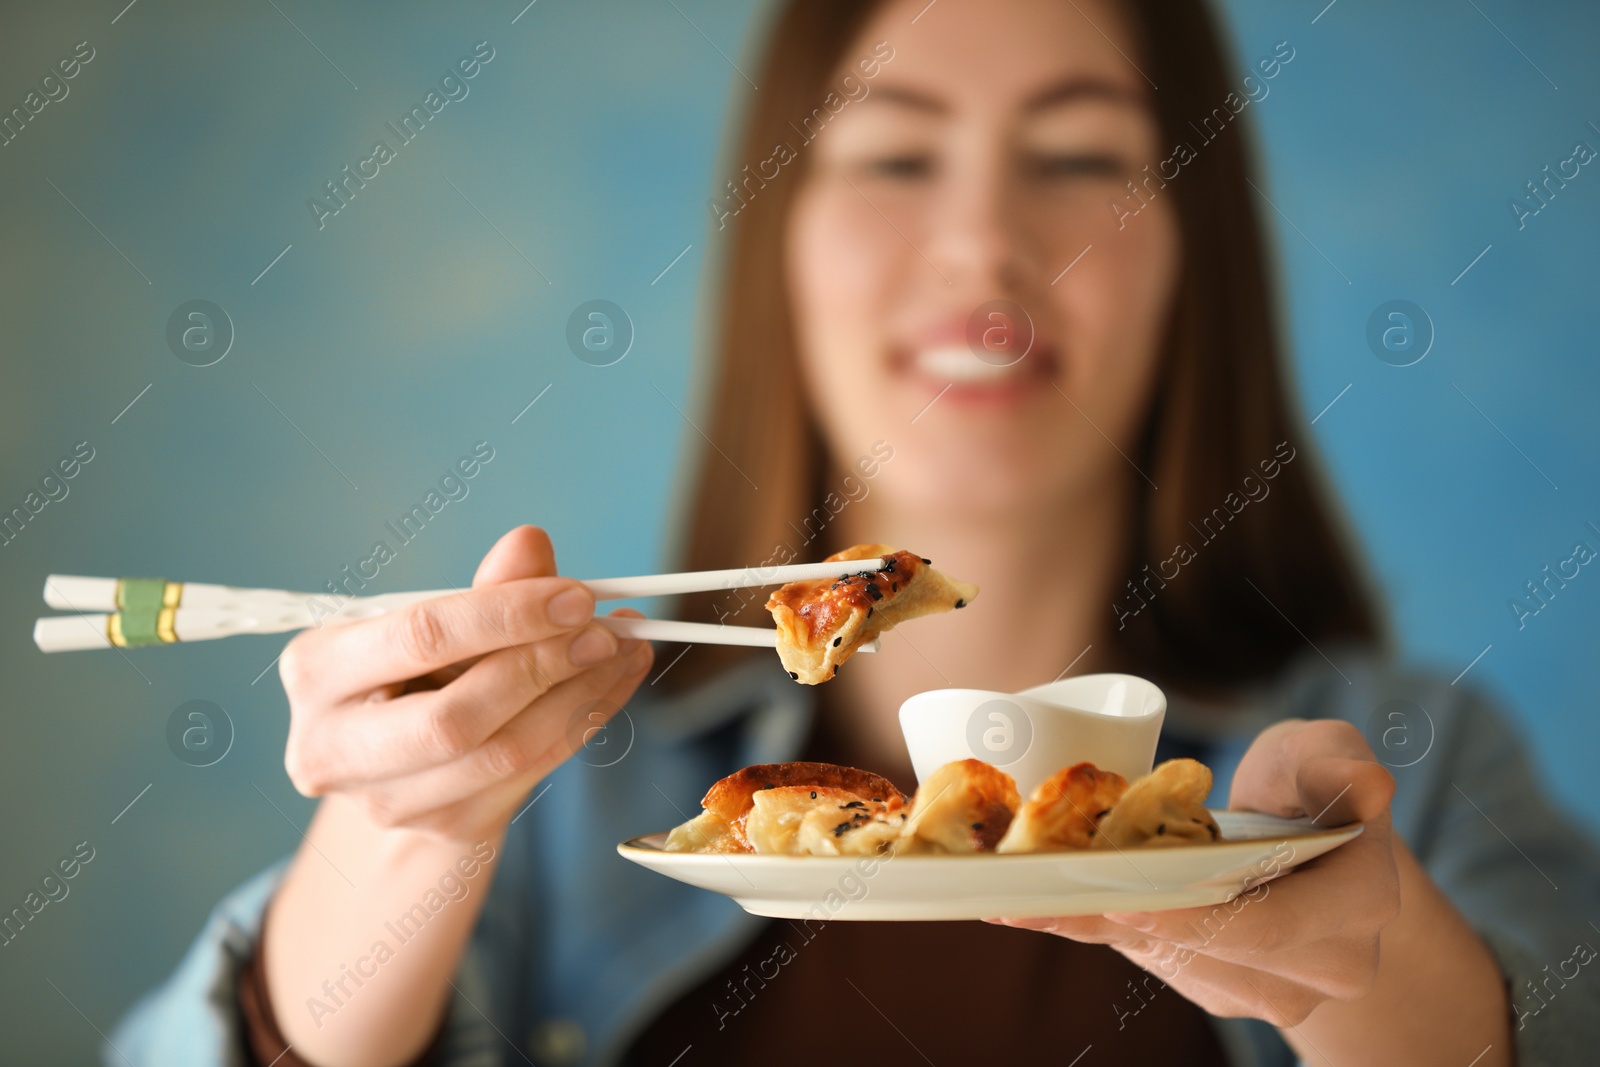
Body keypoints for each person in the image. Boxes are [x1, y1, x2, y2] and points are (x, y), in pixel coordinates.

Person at [112, 0, 1600, 1064]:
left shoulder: (1414, 765)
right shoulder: (570, 800)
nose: (981, 243)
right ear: (780, 238)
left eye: (1080, 156)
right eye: (894, 155)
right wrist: (402, 827)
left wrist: (1378, 984)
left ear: (1197, 247)